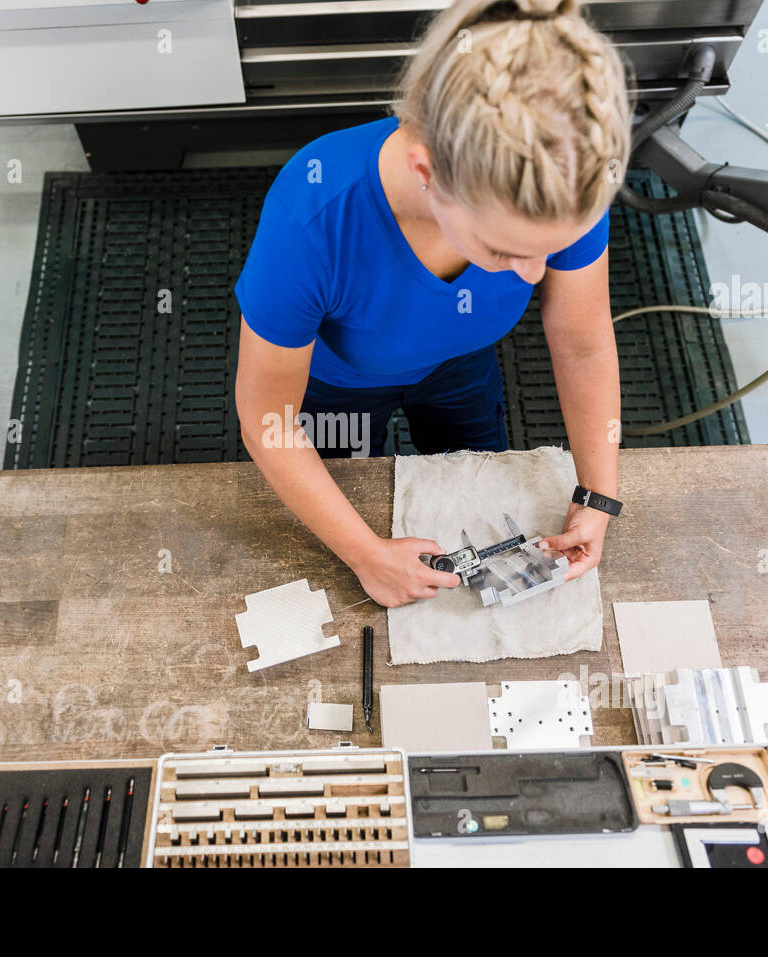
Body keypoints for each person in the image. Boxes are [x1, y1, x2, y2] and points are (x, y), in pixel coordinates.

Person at [233, 0, 631, 608]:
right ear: (429, 172)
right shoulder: (311, 219)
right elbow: (269, 420)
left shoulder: (565, 176)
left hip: (462, 367)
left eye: (547, 250)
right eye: (505, 249)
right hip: (335, 388)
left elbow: (580, 340)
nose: (535, 274)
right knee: (342, 490)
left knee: (477, 484)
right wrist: (366, 554)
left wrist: (599, 493)